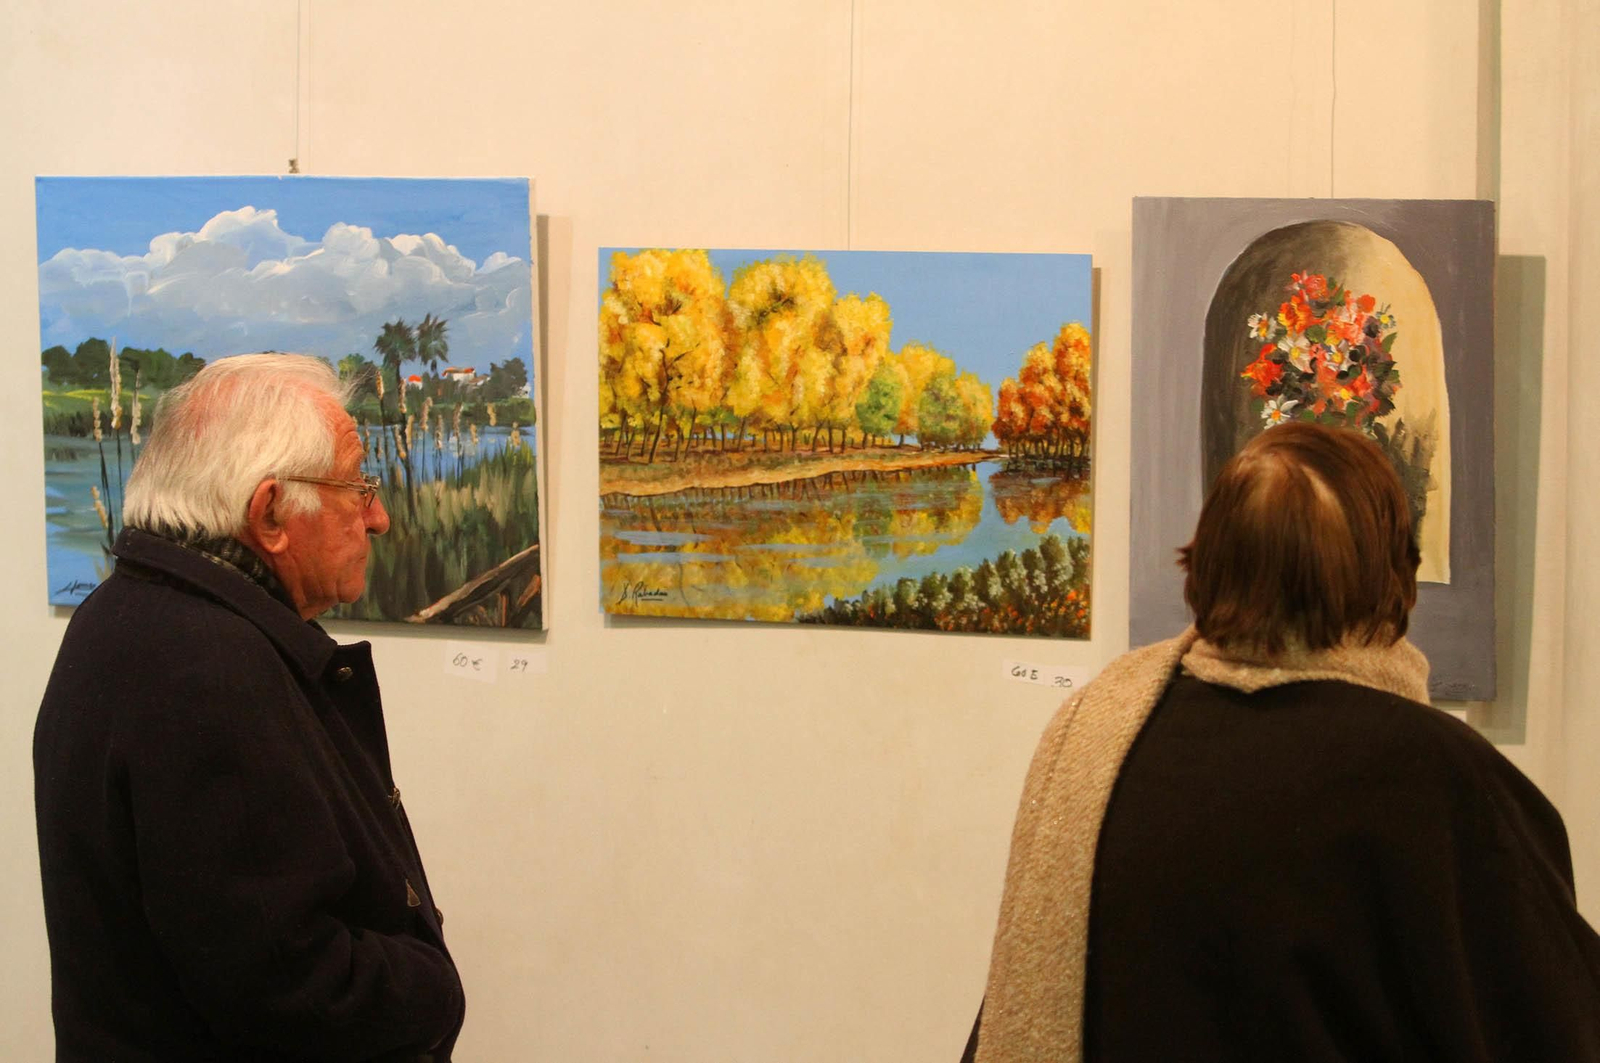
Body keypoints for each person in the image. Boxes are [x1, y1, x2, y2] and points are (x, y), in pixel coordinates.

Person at [965, 421, 1600, 1062]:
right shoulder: (1435, 776)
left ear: (1208, 561)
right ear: (1388, 573)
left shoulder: (1096, 733)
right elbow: (1555, 1024)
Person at [34, 354, 465, 1062]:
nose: (379, 516)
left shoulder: (124, 615)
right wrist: (433, 986)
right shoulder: (205, 667)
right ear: (270, 513)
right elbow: (290, 987)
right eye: (357, 487)